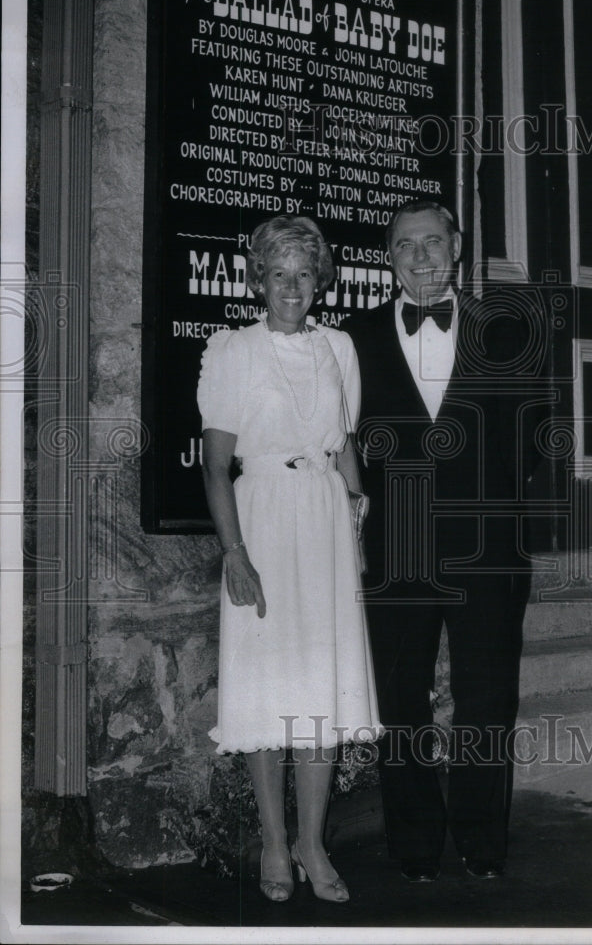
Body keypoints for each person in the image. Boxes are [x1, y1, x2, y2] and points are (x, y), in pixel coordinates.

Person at [342, 200, 537, 883]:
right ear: (388, 257)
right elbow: (340, 440)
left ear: (456, 246)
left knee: (488, 698)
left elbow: (534, 440)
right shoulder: (353, 338)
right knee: (401, 699)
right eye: (404, 246)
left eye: (432, 242)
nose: (421, 257)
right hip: (394, 548)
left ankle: (483, 843)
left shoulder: (505, 330)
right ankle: (416, 846)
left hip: (487, 547)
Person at [197, 215, 381, 904]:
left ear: (320, 280)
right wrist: (234, 553)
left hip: (326, 520)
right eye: (279, 273)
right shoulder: (230, 349)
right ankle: (275, 842)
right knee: (267, 687)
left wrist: (356, 519)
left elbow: (348, 445)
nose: (293, 287)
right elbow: (217, 466)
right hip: (264, 519)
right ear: (258, 280)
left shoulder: (339, 346)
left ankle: (313, 841)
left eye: (306, 273)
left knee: (321, 687)